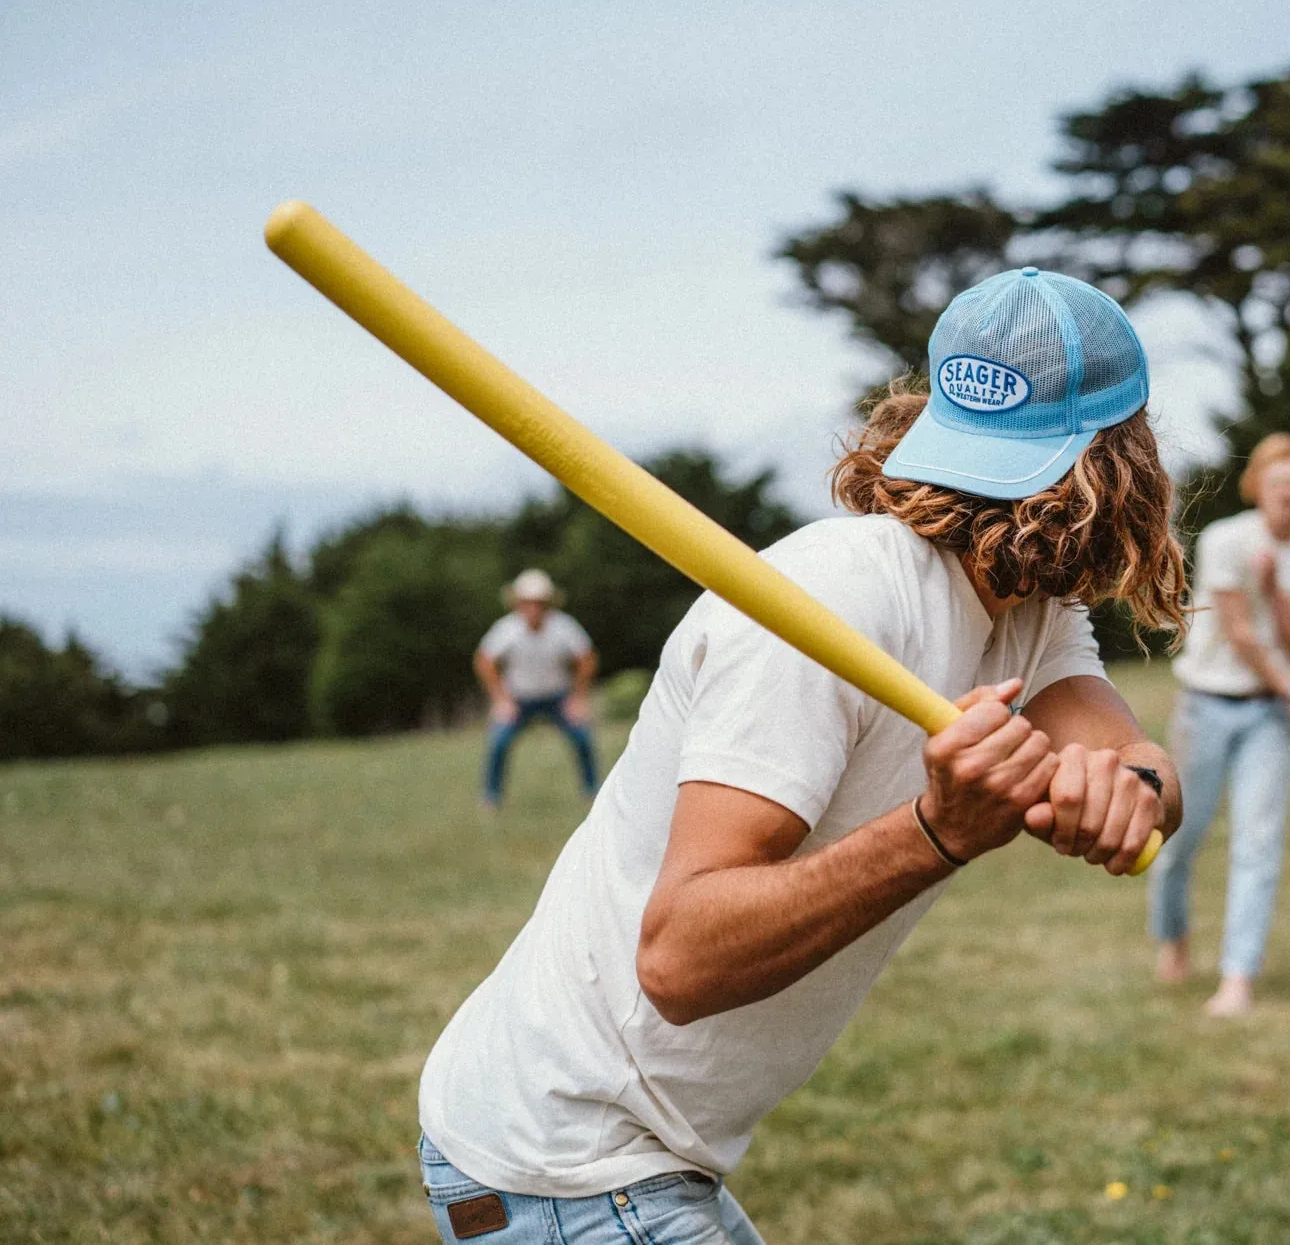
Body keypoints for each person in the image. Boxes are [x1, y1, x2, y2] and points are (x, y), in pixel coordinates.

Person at [415, 267, 1187, 1243]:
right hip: (569, 1158)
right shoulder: (833, 602)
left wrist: (1128, 788)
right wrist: (937, 833)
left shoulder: (1029, 612)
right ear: (1125, 460)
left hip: (633, 1159)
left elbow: (1131, 756)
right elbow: (679, 959)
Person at [1151, 432, 1290, 1018]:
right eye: (1277, 482)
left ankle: (1237, 980)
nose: (1287, 493)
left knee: (1258, 844)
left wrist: (1274, 591)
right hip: (1205, 703)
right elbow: (1238, 632)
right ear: (1257, 485)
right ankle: (1174, 938)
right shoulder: (1225, 539)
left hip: (1267, 715)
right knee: (1178, 840)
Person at [474, 569, 600, 808]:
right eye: (528, 602)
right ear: (518, 603)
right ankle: (491, 797)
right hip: (518, 698)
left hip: (558, 697)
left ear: (548, 603)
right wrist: (501, 699)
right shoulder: (506, 628)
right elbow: (484, 660)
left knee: (582, 737)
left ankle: (592, 791)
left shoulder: (564, 626)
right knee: (499, 742)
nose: (534, 608)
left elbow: (587, 658)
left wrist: (578, 698)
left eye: (539, 602)